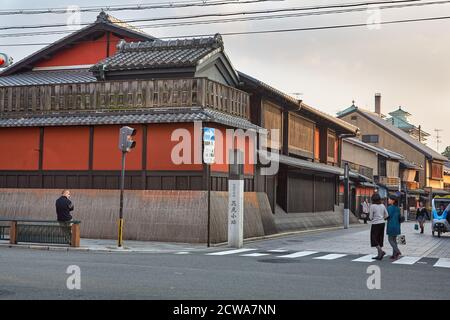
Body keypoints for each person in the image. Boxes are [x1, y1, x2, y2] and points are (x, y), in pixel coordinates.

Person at [369, 193, 389, 260]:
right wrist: (382, 218)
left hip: (375, 224)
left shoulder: (372, 206)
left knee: (374, 239)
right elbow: (387, 215)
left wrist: (372, 218)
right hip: (382, 223)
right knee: (379, 239)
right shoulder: (382, 205)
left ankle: (381, 251)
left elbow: (370, 217)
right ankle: (379, 255)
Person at [386, 196, 402, 260]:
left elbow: (387, 216)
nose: (388, 200)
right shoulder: (398, 208)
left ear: (393, 201)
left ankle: (397, 251)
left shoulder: (389, 208)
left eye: (389, 199)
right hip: (397, 225)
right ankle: (394, 255)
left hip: (391, 225)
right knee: (394, 240)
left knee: (390, 240)